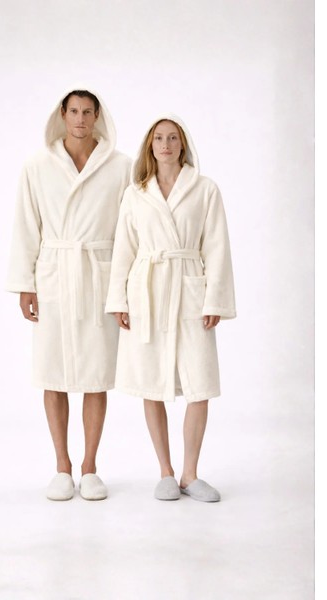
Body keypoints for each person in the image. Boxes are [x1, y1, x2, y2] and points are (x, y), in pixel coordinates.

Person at [6, 87, 131, 501]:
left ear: (97, 116)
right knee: (53, 373)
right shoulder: (37, 165)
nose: (80, 119)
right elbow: (26, 225)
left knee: (97, 376)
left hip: (98, 277)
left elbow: (129, 231)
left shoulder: (120, 166)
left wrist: (124, 288)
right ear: (62, 114)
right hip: (54, 276)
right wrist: (25, 283)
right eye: (74, 111)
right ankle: (62, 467)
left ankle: (90, 467)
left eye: (87, 112)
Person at [105, 115, 236, 502]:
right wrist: (119, 299)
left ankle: (190, 474)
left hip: (190, 288)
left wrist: (215, 299)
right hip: (147, 291)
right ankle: (165, 471)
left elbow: (217, 247)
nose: (166, 144)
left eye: (173, 138)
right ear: (150, 144)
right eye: (159, 138)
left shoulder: (205, 189)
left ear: (183, 144)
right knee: (151, 381)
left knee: (200, 384)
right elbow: (124, 249)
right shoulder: (136, 193)